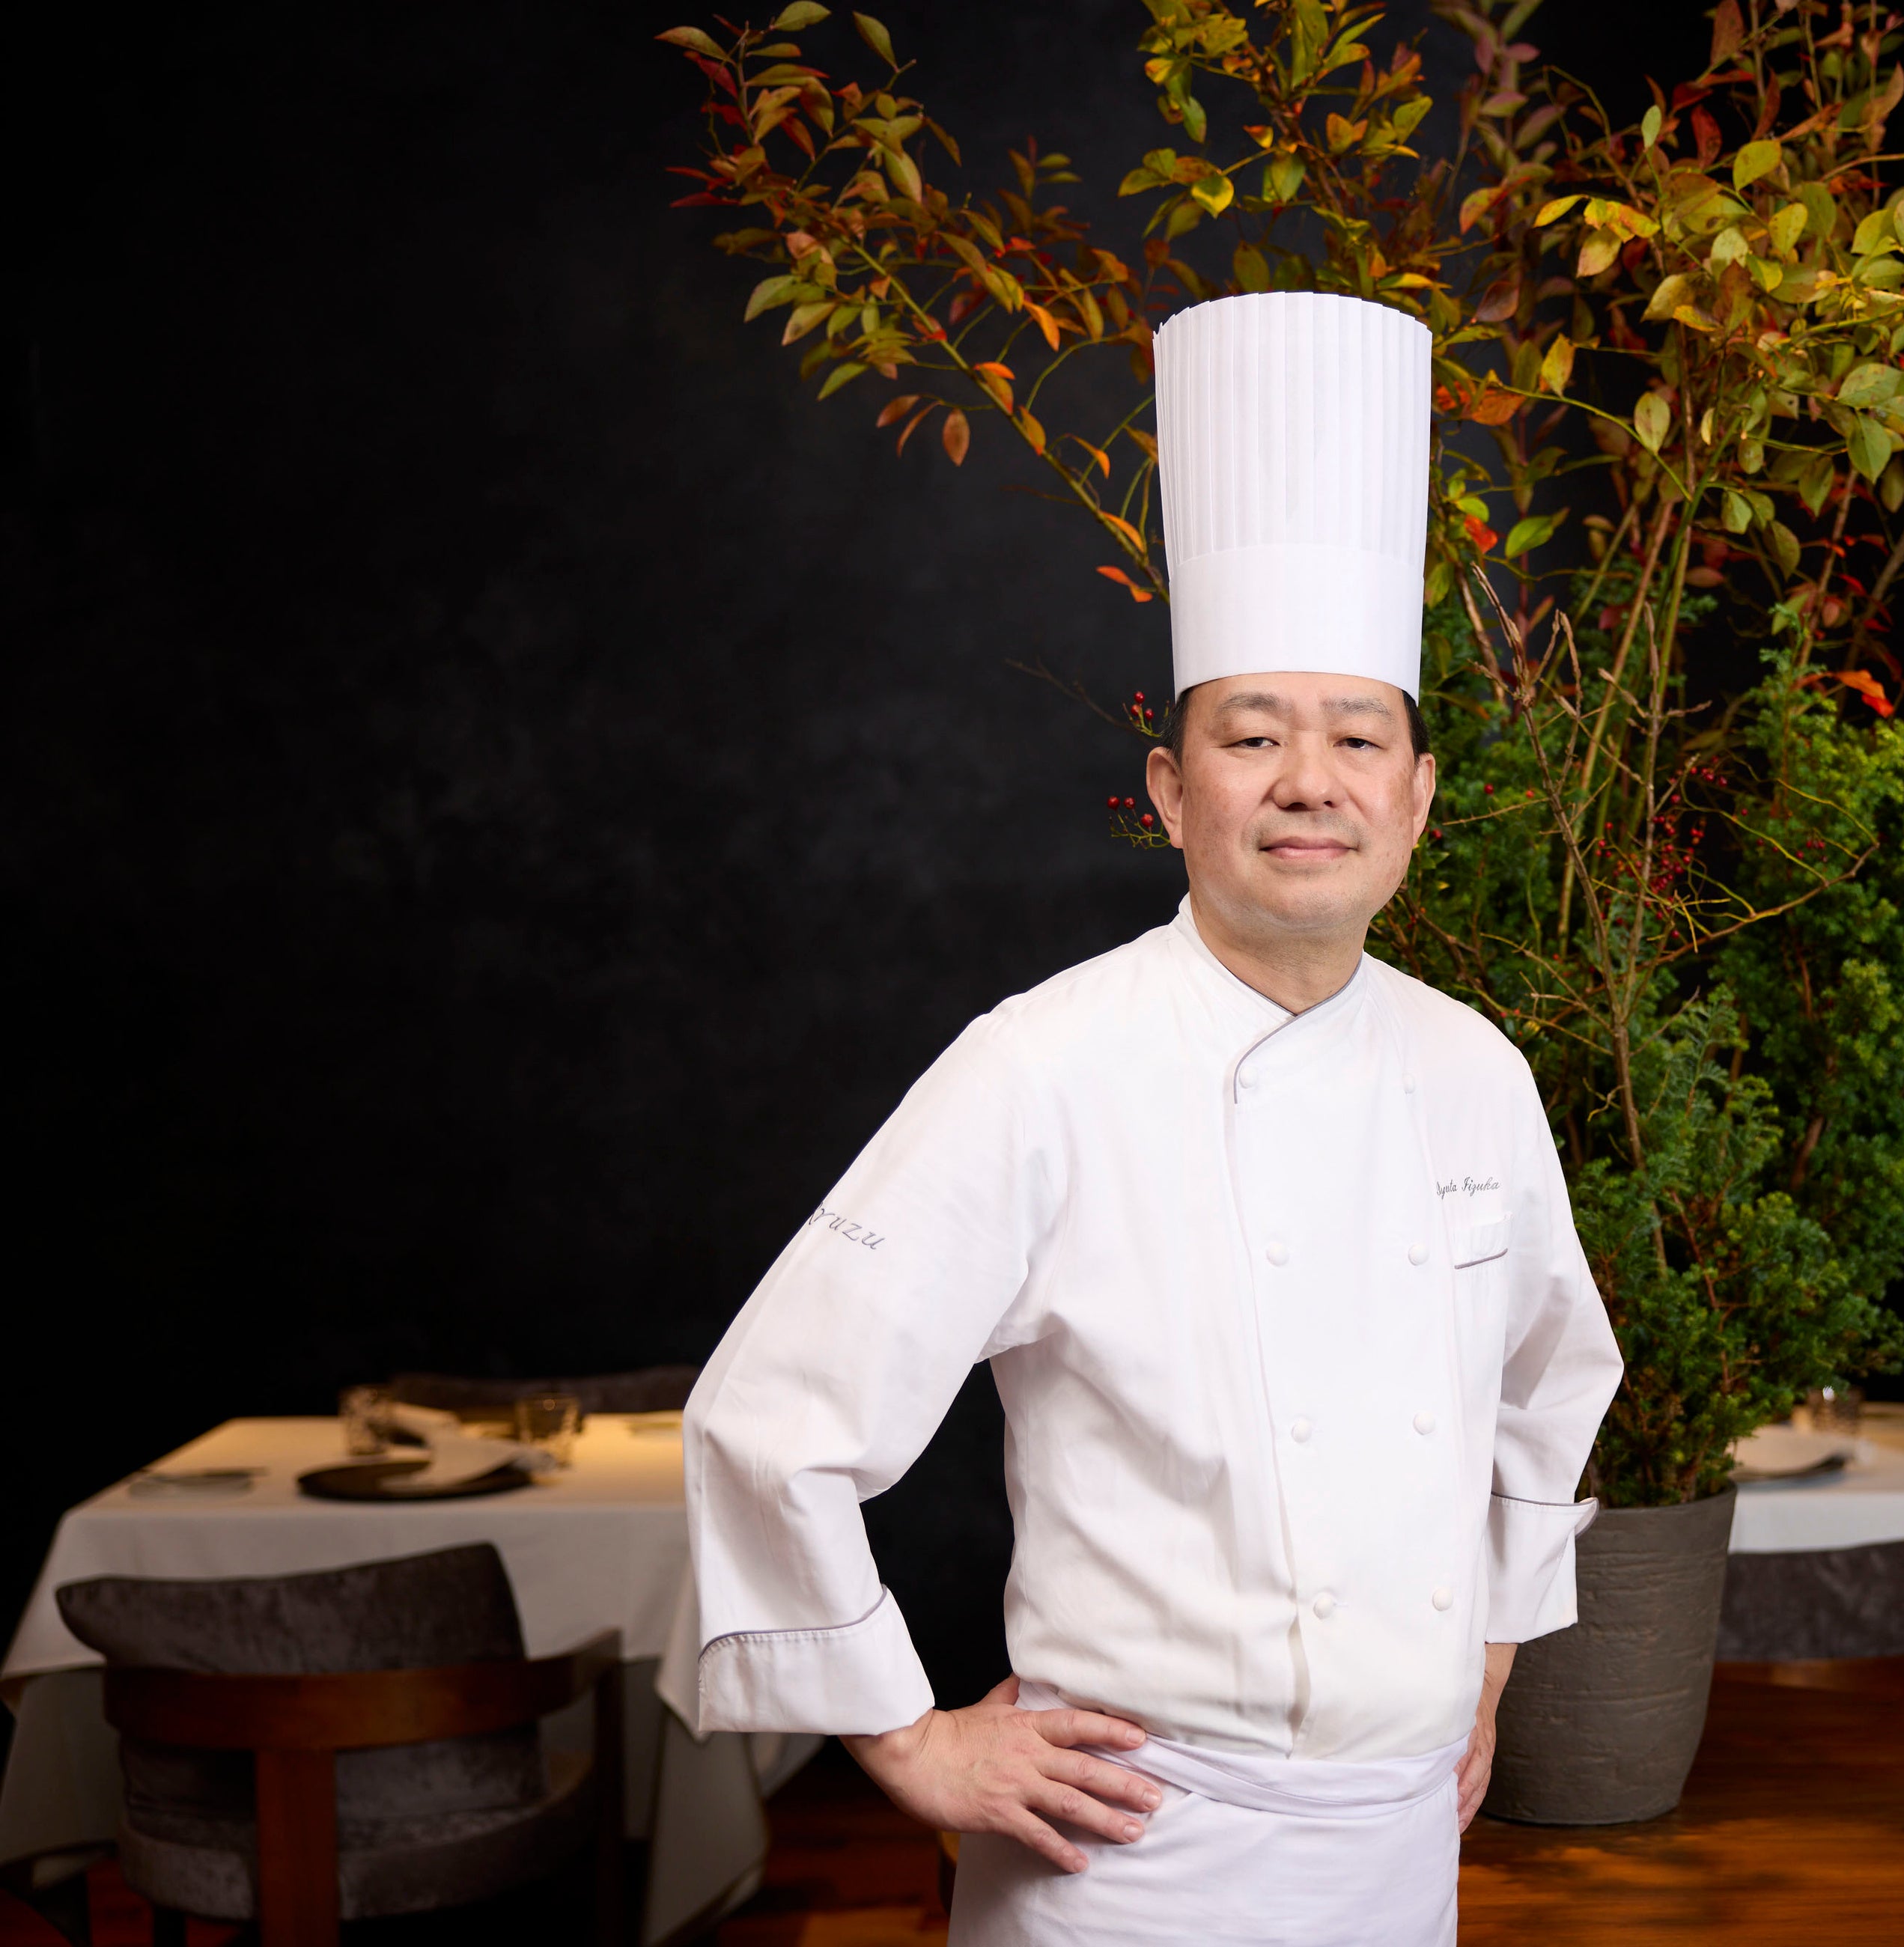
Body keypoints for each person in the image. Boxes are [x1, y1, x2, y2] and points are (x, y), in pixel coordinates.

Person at [677, 290, 1624, 1947]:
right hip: (1128, 1861)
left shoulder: (1474, 1066)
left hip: (1403, 1850)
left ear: (1415, 799)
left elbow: (1551, 1381)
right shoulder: (1044, 1063)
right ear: (1175, 795)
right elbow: (770, 1419)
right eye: (1252, 736)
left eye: (1357, 738)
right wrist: (906, 1734)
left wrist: (1481, 1662)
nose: (1309, 779)